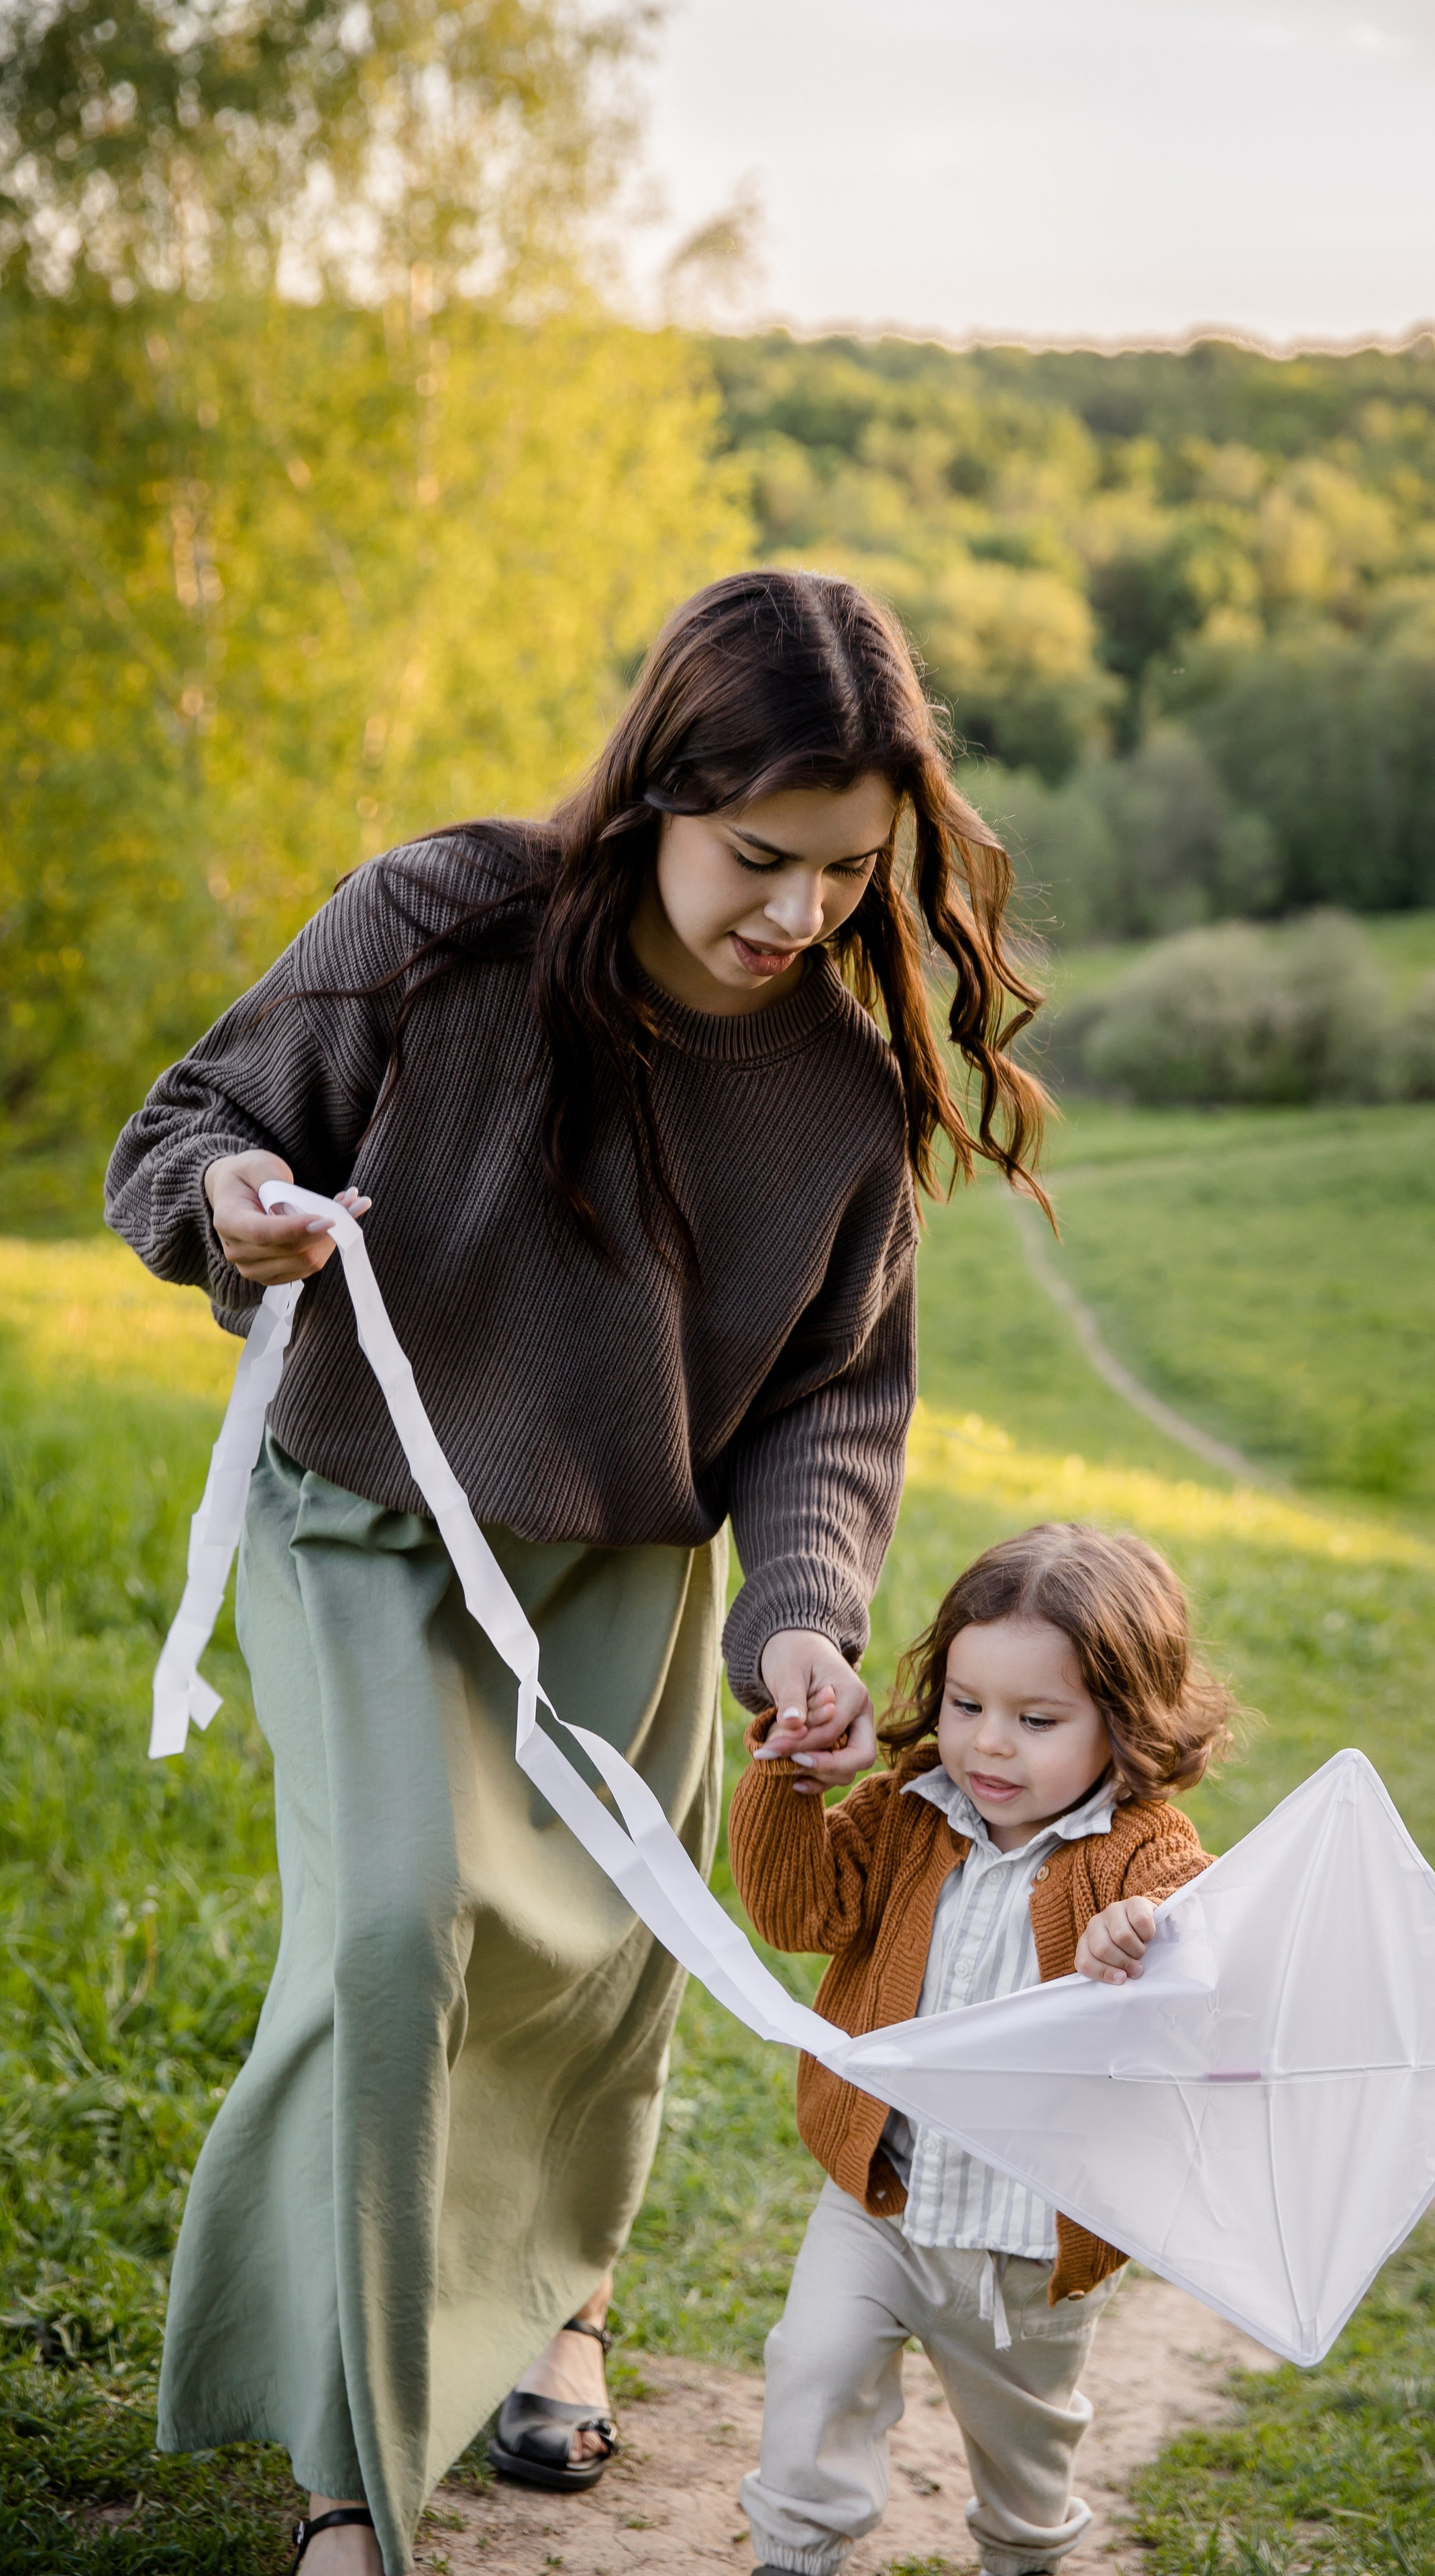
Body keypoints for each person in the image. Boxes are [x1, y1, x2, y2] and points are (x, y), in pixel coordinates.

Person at [105, 570, 1047, 2576]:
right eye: (757, 859)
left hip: (631, 1568)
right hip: (366, 1518)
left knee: (595, 1966)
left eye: (848, 873)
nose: (796, 916)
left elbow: (833, 1400)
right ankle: (355, 2478)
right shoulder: (436, 926)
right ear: (652, 797)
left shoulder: (845, 1094)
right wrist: (230, 1203)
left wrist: (802, 1611)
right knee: (397, 1933)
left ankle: (567, 2305)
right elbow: (184, 1126)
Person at [727, 1520, 1236, 2576]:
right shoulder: (911, 1812)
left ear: (1125, 1724)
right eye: (967, 1706)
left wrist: (1141, 1935)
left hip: (1031, 2244)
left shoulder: (1145, 1850)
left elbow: (1209, 1970)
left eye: (1037, 1719)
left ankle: (1025, 2554)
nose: (990, 1743)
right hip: (883, 2199)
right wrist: (789, 1782)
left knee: (1024, 2456)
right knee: (812, 2371)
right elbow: (794, 1910)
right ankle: (796, 2554)